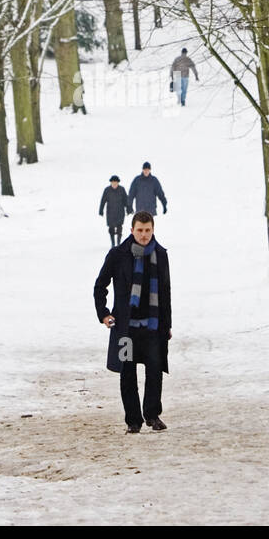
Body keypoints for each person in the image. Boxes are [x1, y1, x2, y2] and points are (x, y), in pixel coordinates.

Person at [94, 211, 173, 432]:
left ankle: (152, 415)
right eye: (140, 230)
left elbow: (166, 292)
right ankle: (133, 421)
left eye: (148, 230)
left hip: (153, 328)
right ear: (131, 230)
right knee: (127, 374)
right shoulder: (118, 255)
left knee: (155, 371)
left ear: (153, 230)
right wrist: (104, 313)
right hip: (125, 329)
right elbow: (100, 286)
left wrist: (167, 325)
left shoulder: (160, 254)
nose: (144, 235)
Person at [99, 175, 130, 245]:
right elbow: (103, 200)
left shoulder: (122, 190)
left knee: (119, 228)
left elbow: (126, 200)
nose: (114, 184)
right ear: (111, 183)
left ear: (118, 183)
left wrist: (128, 209)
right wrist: (101, 210)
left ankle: (118, 243)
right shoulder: (107, 190)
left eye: (116, 182)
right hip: (110, 213)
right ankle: (113, 243)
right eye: (113, 182)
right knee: (111, 228)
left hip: (120, 212)